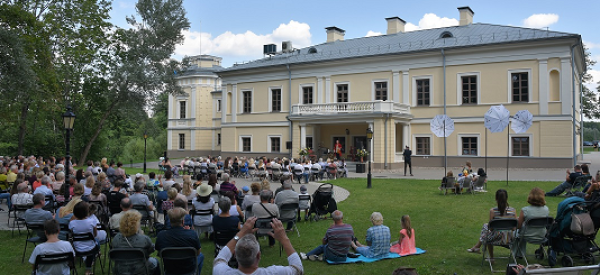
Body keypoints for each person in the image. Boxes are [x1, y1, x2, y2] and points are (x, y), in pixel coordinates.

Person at [213, 217, 303, 275]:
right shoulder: (274, 272)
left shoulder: (221, 272)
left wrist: (241, 232)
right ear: (258, 255)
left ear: (235, 254)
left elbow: (220, 258)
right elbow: (298, 269)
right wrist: (284, 239)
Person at [467, 189, 516, 260]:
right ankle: (477, 247)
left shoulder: (493, 211)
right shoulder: (513, 211)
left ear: (496, 198)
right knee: (487, 229)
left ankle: (488, 255)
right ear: (507, 198)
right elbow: (514, 228)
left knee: (486, 229)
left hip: (496, 238)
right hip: (509, 238)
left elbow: (491, 228)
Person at [156, 207, 204, 275]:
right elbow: (198, 252)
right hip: (188, 270)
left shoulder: (161, 235)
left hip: (170, 270)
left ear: (170, 220)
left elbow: (159, 253)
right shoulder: (192, 234)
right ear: (183, 221)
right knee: (201, 256)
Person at [111, 211, 159, 275]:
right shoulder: (144, 239)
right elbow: (151, 250)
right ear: (136, 224)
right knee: (155, 261)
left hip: (120, 268)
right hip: (140, 268)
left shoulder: (116, 238)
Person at [512, 187, 549, 258]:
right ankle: (520, 254)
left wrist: (517, 220)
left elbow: (518, 226)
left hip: (527, 236)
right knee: (522, 231)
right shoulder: (546, 209)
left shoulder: (525, 210)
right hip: (541, 235)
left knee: (516, 233)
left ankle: (518, 254)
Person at [69, 201, 100, 275]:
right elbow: (95, 235)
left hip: (76, 247)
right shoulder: (92, 221)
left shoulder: (72, 223)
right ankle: (88, 269)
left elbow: (71, 235)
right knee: (96, 242)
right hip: (90, 247)